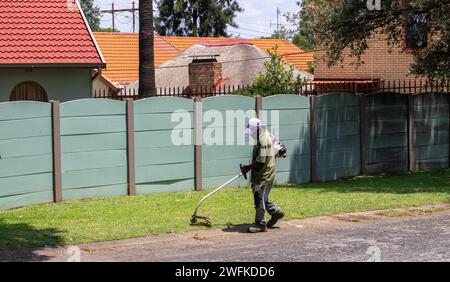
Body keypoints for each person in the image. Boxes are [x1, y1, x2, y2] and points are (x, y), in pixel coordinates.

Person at [240, 118, 285, 233]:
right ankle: (276, 212)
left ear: (257, 129)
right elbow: (279, 149)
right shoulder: (267, 133)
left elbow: (260, 162)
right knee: (262, 196)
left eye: (252, 132)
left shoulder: (263, 141)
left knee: (258, 197)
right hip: (267, 172)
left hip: (264, 175)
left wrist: (247, 167)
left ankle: (260, 224)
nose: (251, 135)